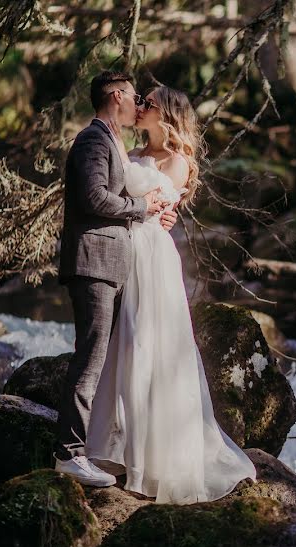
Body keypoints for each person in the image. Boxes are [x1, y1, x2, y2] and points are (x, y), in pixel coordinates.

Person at [84, 85, 257, 504]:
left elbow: (156, 203)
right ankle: (120, 449)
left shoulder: (178, 161)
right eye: (139, 102)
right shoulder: (132, 151)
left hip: (152, 257)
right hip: (126, 248)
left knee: (149, 345)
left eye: (148, 105)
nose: (140, 108)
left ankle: (155, 459)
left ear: (167, 115)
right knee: (121, 346)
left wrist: (142, 204)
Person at [55, 71, 178, 487]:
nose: (138, 104)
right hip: (93, 262)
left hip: (111, 263)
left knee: (103, 359)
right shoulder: (93, 139)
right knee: (89, 360)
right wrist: (141, 206)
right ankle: (69, 455)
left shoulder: (114, 142)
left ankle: (95, 448)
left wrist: (155, 212)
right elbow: (92, 197)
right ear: (117, 95)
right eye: (134, 96)